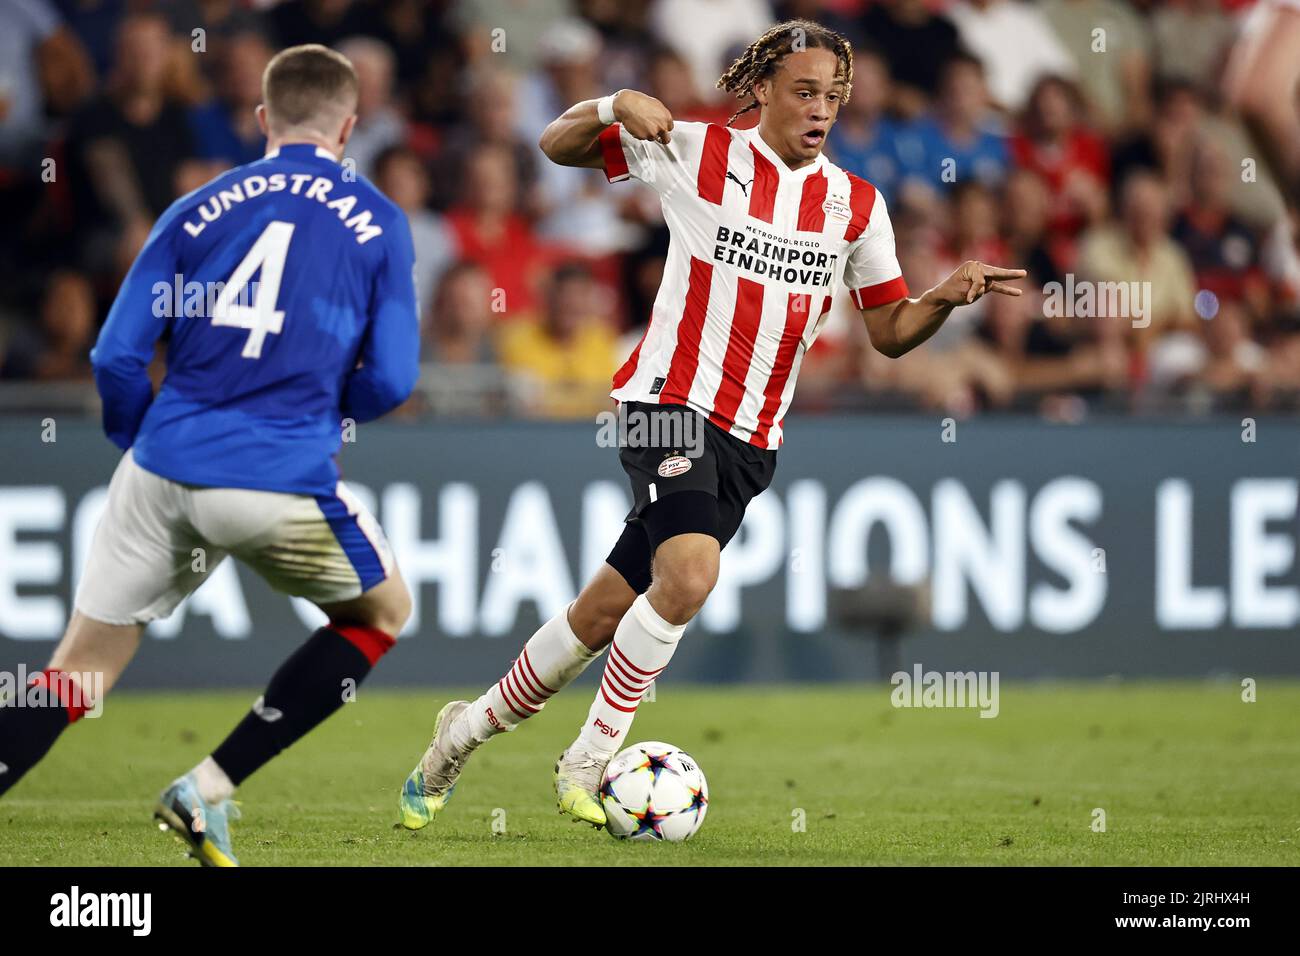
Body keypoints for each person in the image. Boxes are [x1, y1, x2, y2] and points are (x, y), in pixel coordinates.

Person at [397, 19, 1024, 833]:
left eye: (833, 96)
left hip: (751, 442)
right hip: (665, 402)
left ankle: (463, 731)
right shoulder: (698, 150)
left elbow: (889, 331)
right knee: (690, 577)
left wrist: (943, 297)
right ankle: (588, 759)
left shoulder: (856, 207)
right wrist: (614, 101)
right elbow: (556, 144)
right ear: (762, 88)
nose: (821, 109)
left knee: (599, 616)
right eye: (805, 92)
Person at [0, 44, 420, 867]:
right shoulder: (378, 221)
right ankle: (208, 786)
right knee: (382, 614)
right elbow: (395, 378)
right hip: (275, 475)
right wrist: (319, 407)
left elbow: (115, 360)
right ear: (351, 126)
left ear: (263, 120)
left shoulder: (193, 207)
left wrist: (140, 441)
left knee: (77, 673)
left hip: (158, 468)